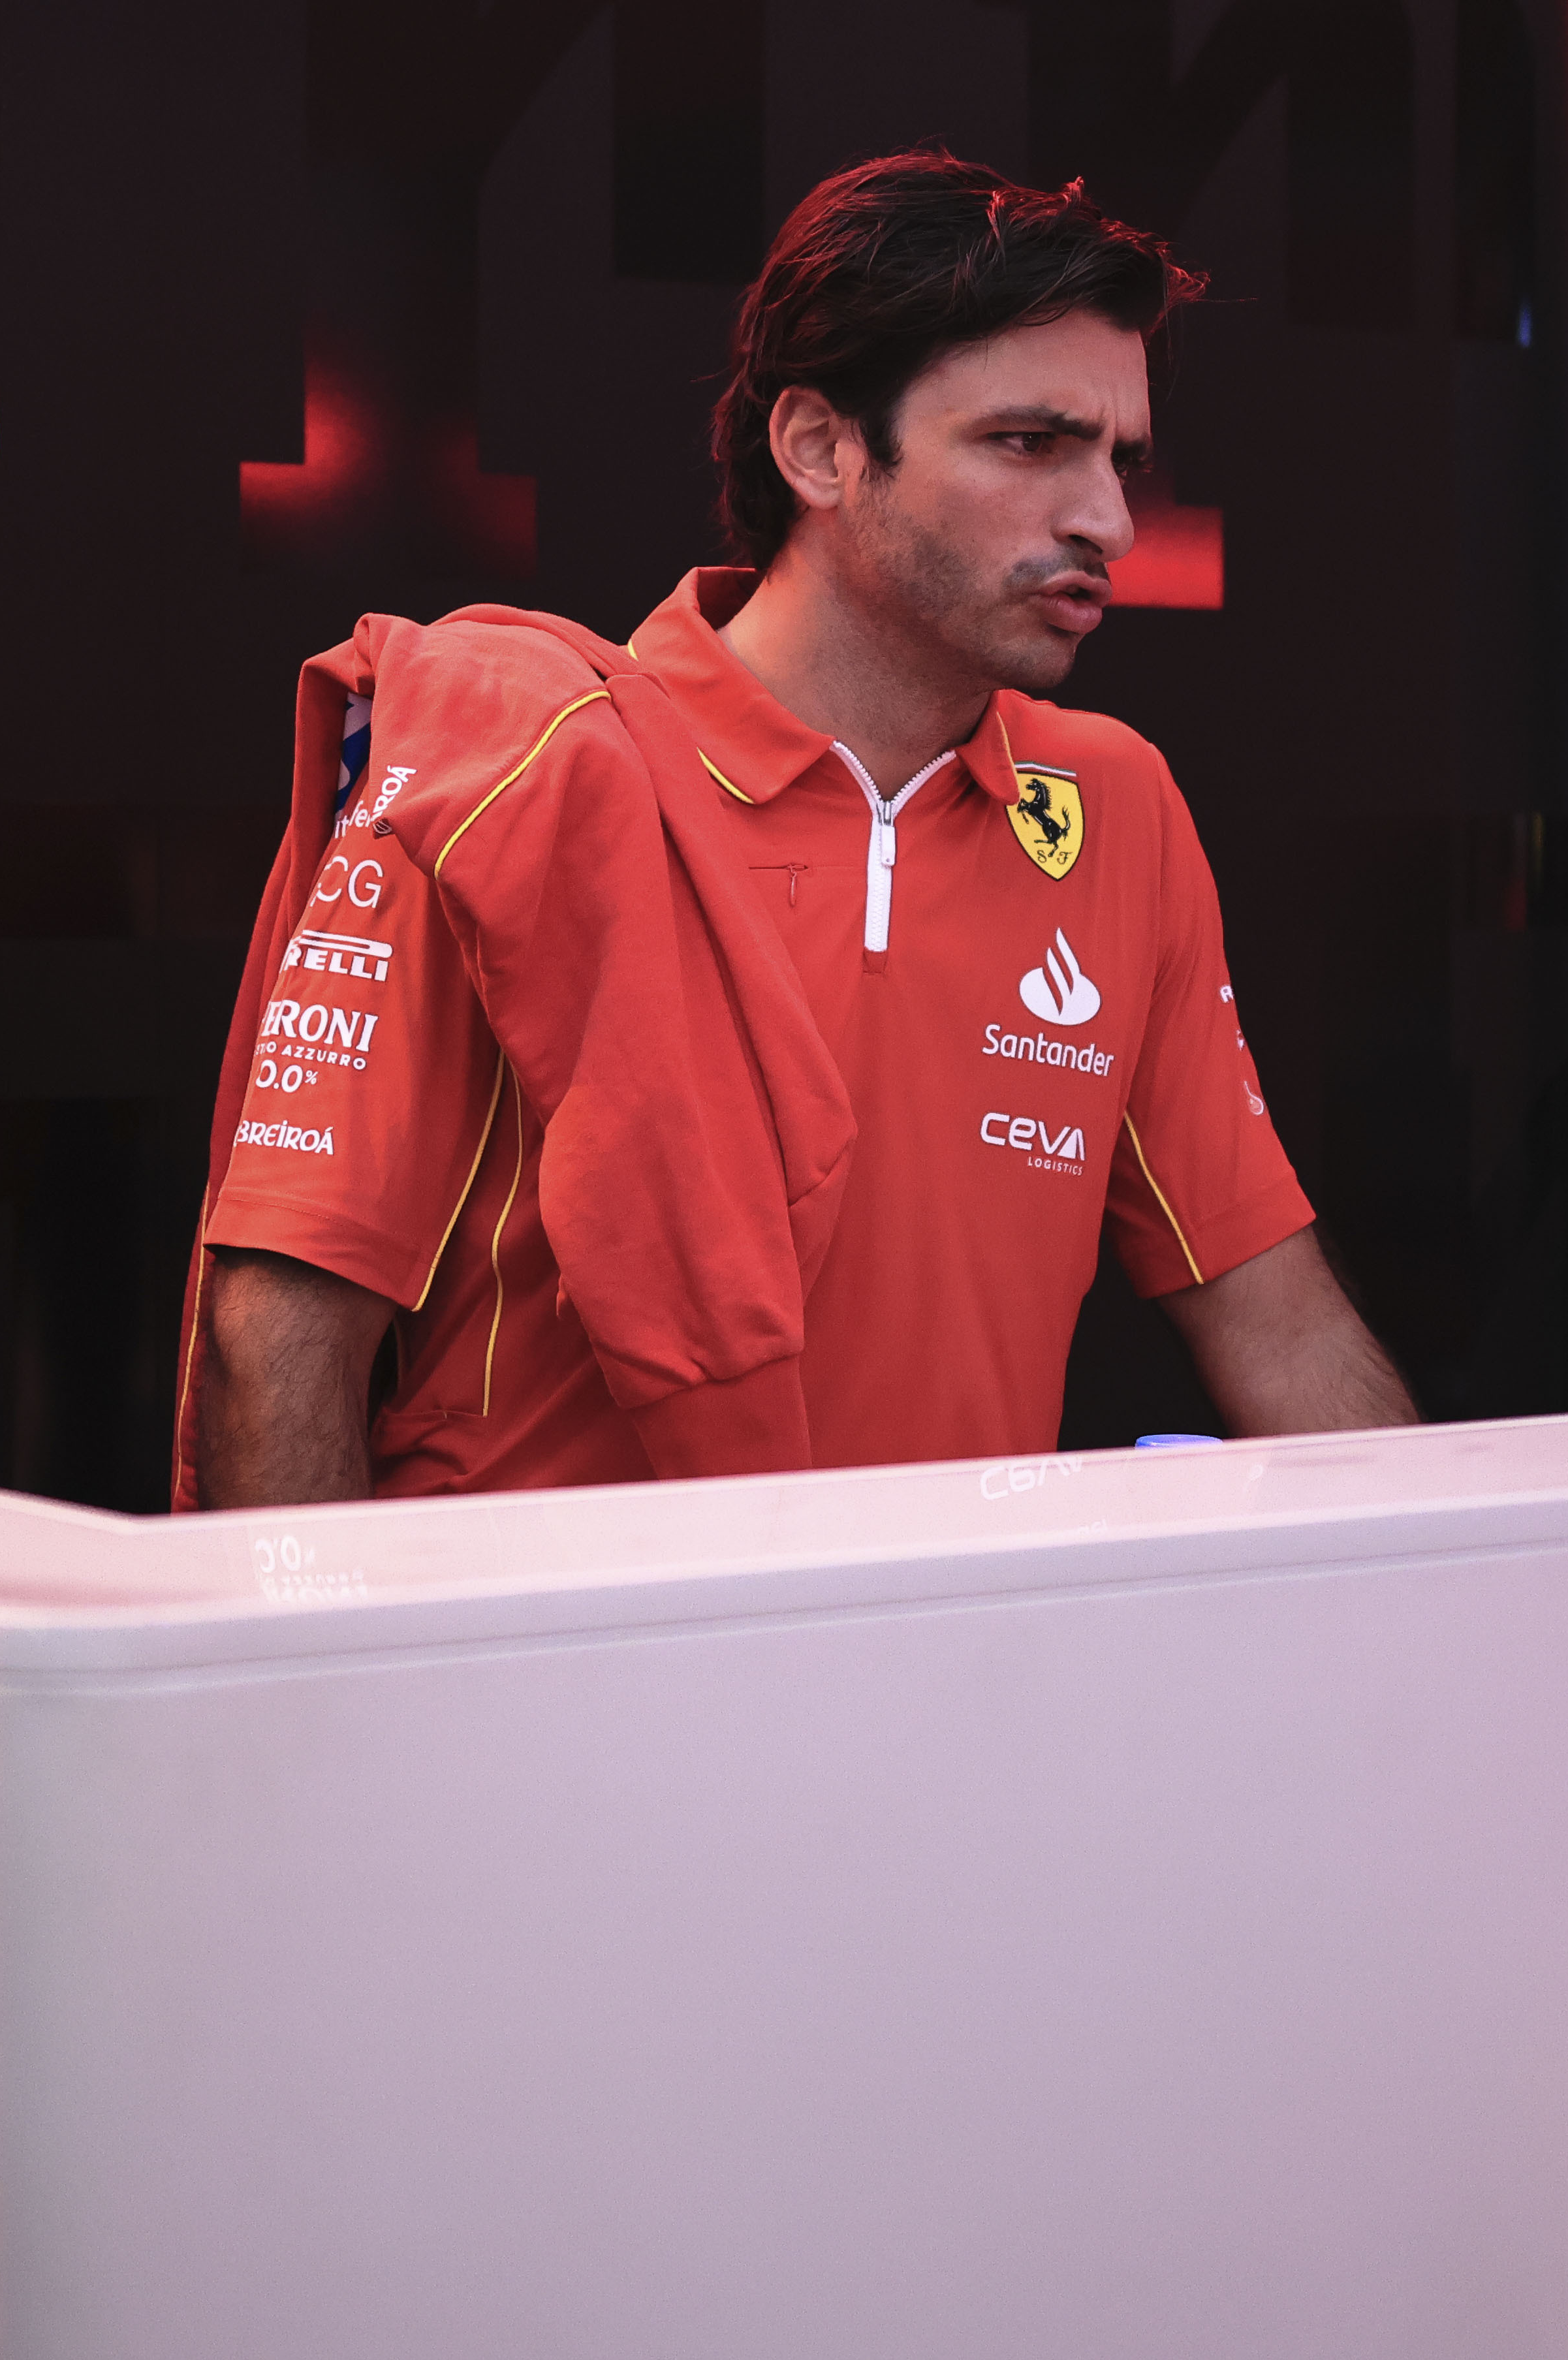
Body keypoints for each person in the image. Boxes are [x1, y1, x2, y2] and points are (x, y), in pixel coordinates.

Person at [175, 152, 1413, 1509]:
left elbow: (1276, 1322)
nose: (1107, 519)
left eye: (1119, 458)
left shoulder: (1115, 806)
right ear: (819, 447)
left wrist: (1478, 1625)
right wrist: (320, 1717)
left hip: (928, 1684)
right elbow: (278, 1331)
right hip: (546, 1689)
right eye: (1029, 443)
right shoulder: (512, 771)